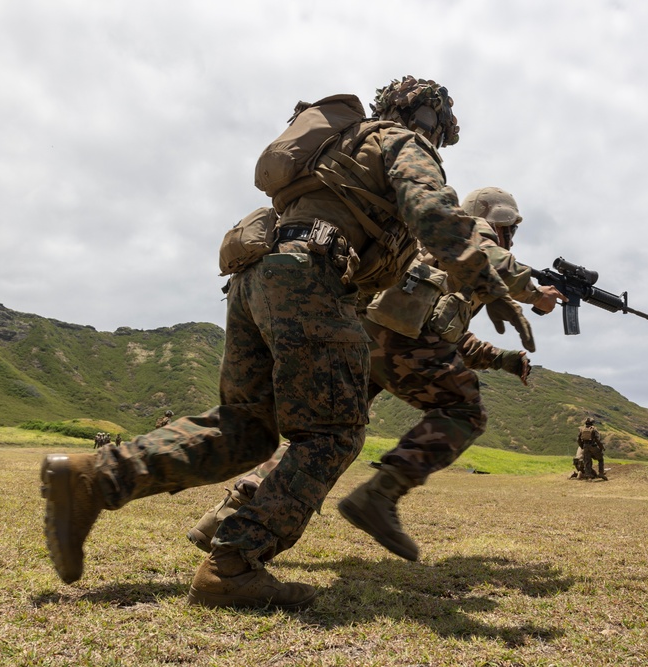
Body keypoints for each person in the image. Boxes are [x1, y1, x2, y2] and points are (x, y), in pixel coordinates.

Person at [39, 75, 510, 610]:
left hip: (256, 275)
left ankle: (91, 479)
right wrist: (483, 279)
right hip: (311, 276)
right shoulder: (403, 142)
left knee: (247, 428)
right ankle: (233, 564)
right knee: (331, 433)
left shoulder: (343, 144)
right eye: (441, 129)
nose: (441, 139)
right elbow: (433, 212)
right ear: (432, 119)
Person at [187, 186, 564, 561]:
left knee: (323, 434)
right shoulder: (472, 228)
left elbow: (450, 336)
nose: (511, 237)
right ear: (498, 221)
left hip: (365, 336)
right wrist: (533, 291)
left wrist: (506, 360)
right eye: (510, 228)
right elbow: (482, 263)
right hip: (398, 339)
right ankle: (378, 496)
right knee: (465, 409)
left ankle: (224, 516)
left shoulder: (441, 254)